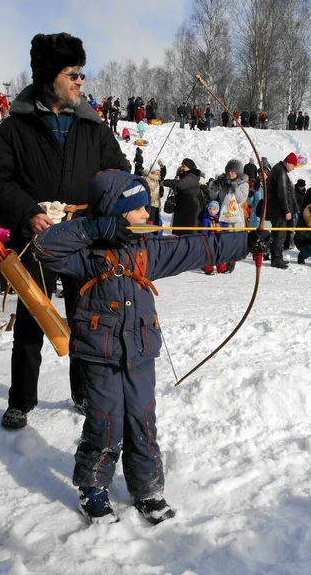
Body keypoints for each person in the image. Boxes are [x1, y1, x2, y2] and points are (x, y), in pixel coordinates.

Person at [33, 170, 252, 524]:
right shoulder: (87, 254)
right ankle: (92, 487)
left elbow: (195, 247)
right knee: (105, 421)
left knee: (142, 419)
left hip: (140, 349)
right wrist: (93, 229)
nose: (149, 216)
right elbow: (45, 248)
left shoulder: (147, 249)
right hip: (98, 352)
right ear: (117, 214)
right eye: (138, 210)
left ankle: (147, 489)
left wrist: (245, 241)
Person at [0, 32, 130, 430]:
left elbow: (116, 173)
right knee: (33, 317)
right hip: (36, 236)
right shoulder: (16, 128)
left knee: (85, 318)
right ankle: (21, 400)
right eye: (73, 73)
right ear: (50, 77)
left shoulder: (93, 126)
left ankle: (82, 391)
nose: (81, 80)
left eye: (82, 73)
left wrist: (122, 201)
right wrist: (27, 212)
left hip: (83, 237)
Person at [208, 159, 249, 273]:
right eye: (229, 171)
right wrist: (216, 184)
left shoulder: (243, 184)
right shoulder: (224, 182)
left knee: (234, 240)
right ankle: (222, 261)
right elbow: (213, 196)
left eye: (233, 171)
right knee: (224, 239)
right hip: (223, 216)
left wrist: (234, 186)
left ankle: (231, 264)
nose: (231, 173)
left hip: (236, 218)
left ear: (238, 172)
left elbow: (241, 198)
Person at [266, 152, 297, 269]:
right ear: (288, 163)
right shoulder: (281, 172)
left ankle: (276, 257)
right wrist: (287, 211)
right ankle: (277, 259)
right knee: (280, 235)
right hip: (279, 211)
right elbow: (282, 193)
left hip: (275, 209)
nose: (293, 168)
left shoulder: (277, 169)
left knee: (278, 234)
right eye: (293, 165)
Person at [163, 158, 203, 236]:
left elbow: (180, 185)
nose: (181, 168)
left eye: (184, 166)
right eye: (181, 166)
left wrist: (165, 182)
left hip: (190, 212)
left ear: (189, 167)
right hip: (183, 210)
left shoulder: (192, 177)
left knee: (188, 235)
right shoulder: (186, 177)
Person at [200, 201, 228, 275]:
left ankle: (221, 268)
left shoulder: (221, 218)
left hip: (219, 238)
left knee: (219, 252)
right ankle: (208, 268)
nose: (212, 211)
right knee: (209, 253)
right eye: (210, 209)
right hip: (209, 239)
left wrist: (224, 233)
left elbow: (225, 227)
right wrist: (205, 236)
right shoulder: (206, 219)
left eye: (214, 209)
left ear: (217, 210)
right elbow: (204, 229)